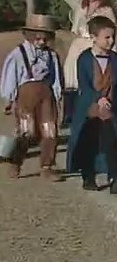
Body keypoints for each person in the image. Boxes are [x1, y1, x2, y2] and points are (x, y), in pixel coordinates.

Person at [66, 16, 117, 193]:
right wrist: (97, 98)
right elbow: (84, 85)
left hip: (109, 110)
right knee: (89, 144)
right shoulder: (84, 59)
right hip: (89, 109)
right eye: (106, 37)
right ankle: (88, 177)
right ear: (93, 37)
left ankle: (115, 177)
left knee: (111, 143)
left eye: (112, 37)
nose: (111, 41)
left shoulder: (116, 60)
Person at [0, 14, 64, 180]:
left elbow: (56, 77)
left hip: (46, 96)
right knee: (26, 131)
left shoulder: (51, 55)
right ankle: (16, 162)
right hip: (26, 96)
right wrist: (9, 98)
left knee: (49, 130)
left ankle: (47, 166)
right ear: (29, 35)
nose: (41, 42)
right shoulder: (18, 54)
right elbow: (11, 76)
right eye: (38, 38)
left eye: (45, 39)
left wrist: (57, 94)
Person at [60, 0, 117, 128]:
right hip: (78, 44)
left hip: (94, 46)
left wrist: (113, 53)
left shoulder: (106, 11)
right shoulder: (80, 5)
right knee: (71, 79)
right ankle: (68, 115)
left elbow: (112, 32)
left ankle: (90, 113)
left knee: (90, 79)